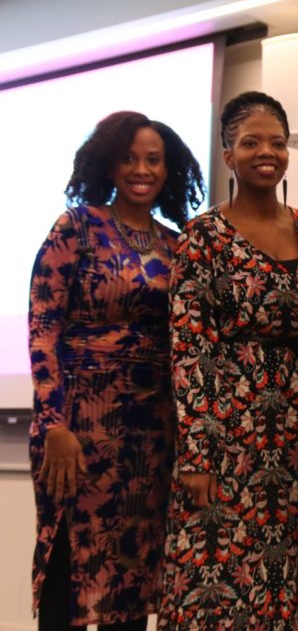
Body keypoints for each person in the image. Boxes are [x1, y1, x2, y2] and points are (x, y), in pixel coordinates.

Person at [28, 111, 204, 630]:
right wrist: (53, 423)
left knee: (131, 574)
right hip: (78, 429)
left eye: (153, 160)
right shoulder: (77, 226)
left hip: (151, 435)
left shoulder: (177, 245)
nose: (141, 169)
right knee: (72, 570)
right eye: (129, 158)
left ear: (169, 171)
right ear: (109, 164)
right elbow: (42, 326)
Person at [159, 91, 298, 629]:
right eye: (251, 142)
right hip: (228, 431)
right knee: (215, 580)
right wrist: (200, 453)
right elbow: (191, 346)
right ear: (228, 155)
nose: (266, 152)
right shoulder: (201, 237)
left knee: (281, 578)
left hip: (297, 432)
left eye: (277, 142)